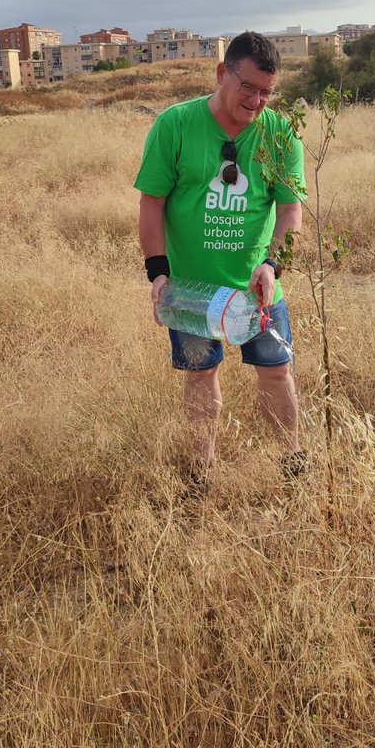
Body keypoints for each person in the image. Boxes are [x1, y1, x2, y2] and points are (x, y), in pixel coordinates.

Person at [134, 31, 306, 479]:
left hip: (258, 290)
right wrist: (158, 273)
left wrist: (272, 264)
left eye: (266, 92)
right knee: (200, 375)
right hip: (192, 292)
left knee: (276, 372)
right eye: (247, 86)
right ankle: (201, 470)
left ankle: (292, 463)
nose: (256, 101)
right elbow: (151, 201)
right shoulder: (174, 124)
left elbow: (290, 210)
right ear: (220, 74)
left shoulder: (281, 133)